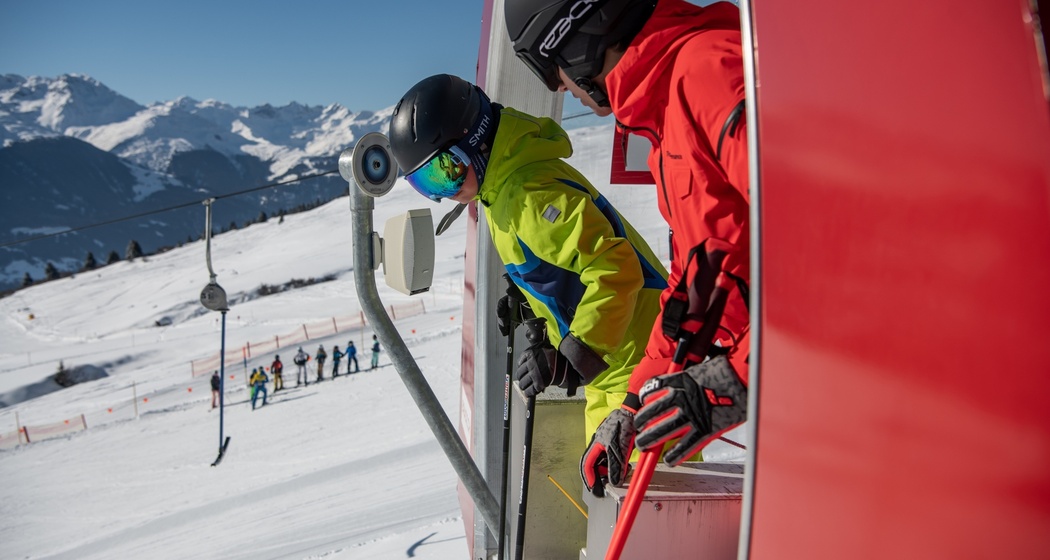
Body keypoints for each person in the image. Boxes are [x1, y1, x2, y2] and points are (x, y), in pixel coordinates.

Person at [506, 0, 751, 496]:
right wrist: (634, 403)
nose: (556, 86)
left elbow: (840, 263)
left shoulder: (712, 74)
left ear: (576, 42)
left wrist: (734, 385)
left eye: (548, 68)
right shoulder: (666, 119)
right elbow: (697, 289)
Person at [388, 74, 666, 442]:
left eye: (446, 172)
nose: (445, 194)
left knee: (634, 494)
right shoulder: (498, 189)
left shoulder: (527, 195)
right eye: (428, 184)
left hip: (640, 363)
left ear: (476, 141)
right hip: (620, 363)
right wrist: (533, 297)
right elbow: (562, 258)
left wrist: (574, 355)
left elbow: (615, 266)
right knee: (604, 487)